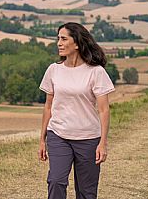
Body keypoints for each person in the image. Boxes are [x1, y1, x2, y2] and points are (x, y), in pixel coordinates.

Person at [38, 22, 114, 199]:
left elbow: (104, 110)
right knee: (56, 181)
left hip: (88, 139)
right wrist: (42, 139)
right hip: (58, 135)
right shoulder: (53, 70)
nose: (59, 43)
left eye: (64, 39)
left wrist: (103, 143)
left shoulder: (96, 72)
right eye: (58, 39)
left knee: (86, 192)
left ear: (77, 43)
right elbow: (48, 106)